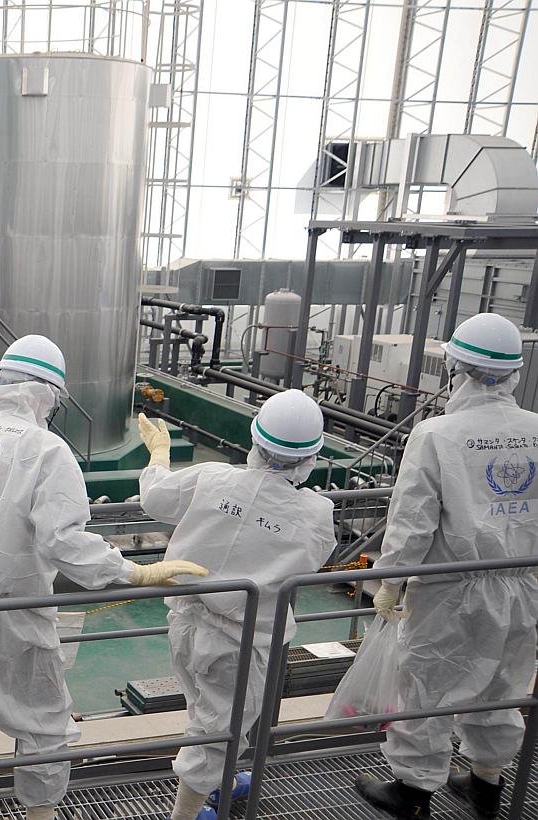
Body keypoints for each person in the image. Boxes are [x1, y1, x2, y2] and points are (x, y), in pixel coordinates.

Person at [0, 334, 207, 820]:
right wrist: (136, 571)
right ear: (47, 394)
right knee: (45, 727)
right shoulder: (47, 451)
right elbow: (63, 541)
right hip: (12, 615)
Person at [355, 312, 538, 820]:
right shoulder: (536, 430)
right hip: (524, 584)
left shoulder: (436, 435)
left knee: (428, 687)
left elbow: (412, 523)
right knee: (504, 684)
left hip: (451, 590)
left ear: (456, 368)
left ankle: (413, 795)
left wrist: (388, 583)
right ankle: (485, 786)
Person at [135, 389, 335, 820]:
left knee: (202, 707)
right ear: (310, 457)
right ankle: (185, 814)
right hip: (242, 643)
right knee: (218, 728)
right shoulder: (315, 512)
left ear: (255, 440)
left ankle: (218, 780)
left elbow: (156, 499)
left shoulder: (212, 477)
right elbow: (314, 557)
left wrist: (159, 454)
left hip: (186, 623)